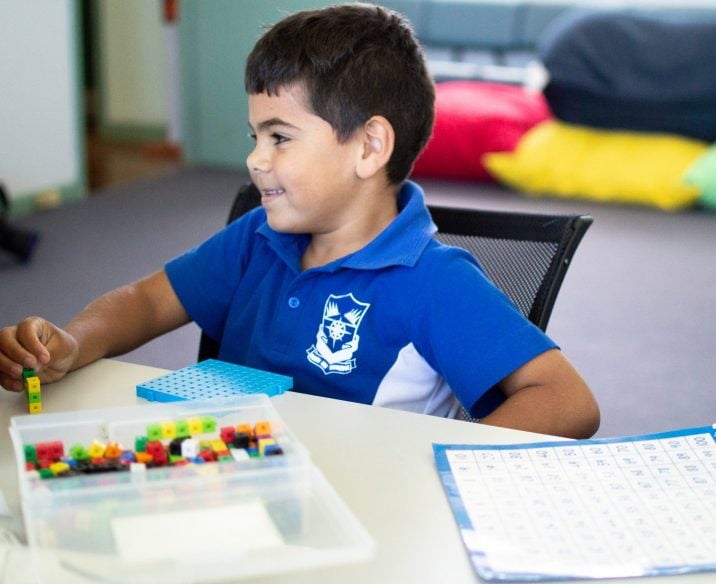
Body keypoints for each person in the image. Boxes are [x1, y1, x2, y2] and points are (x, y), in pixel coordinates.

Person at [0, 3, 599, 438]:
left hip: (359, 512)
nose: (255, 159)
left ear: (369, 147)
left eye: (280, 137)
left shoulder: (433, 280)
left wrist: (438, 461)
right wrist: (75, 341)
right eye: (255, 136)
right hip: (231, 477)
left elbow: (569, 401)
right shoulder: (260, 236)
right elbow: (147, 301)